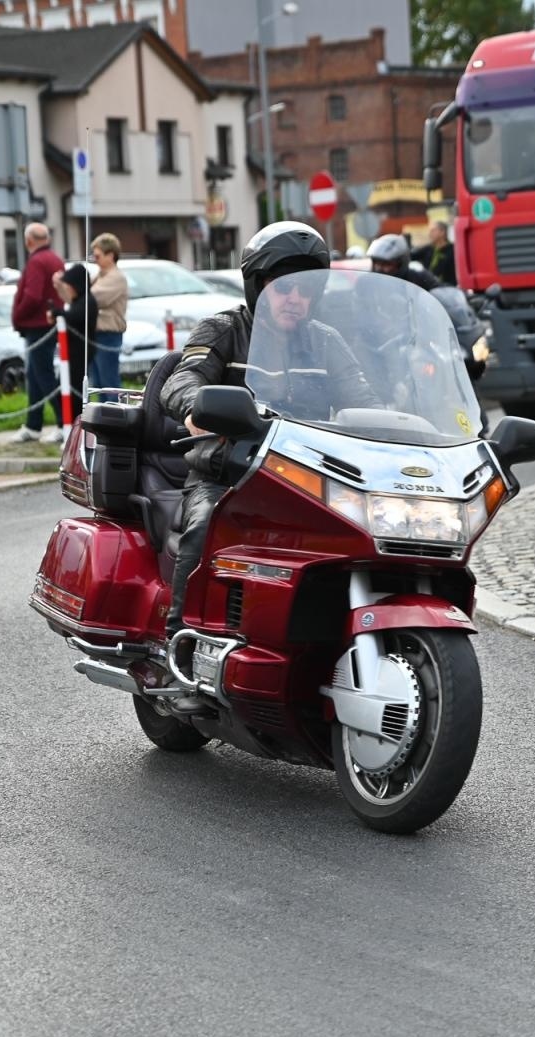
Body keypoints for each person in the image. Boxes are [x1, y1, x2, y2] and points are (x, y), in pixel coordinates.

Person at [160, 222, 379, 691]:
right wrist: (198, 405)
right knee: (203, 527)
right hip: (228, 473)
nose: (294, 297)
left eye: (304, 288)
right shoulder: (225, 329)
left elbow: (365, 401)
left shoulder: (325, 341)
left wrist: (393, 424)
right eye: (282, 287)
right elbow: (181, 380)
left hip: (308, 478)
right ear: (258, 286)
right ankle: (175, 653)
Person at [10, 222, 66, 443]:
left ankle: (64, 422)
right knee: (35, 376)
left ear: (28, 241)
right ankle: (34, 424)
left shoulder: (36, 261)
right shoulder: (55, 259)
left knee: (42, 375)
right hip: (49, 324)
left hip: (37, 326)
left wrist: (18, 316)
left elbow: (33, 296)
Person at [51, 262, 96, 421]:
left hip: (80, 355)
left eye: (70, 285)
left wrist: (57, 313)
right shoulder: (78, 301)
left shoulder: (88, 302)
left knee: (74, 395)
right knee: (62, 392)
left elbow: (74, 317)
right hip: (72, 355)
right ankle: (65, 424)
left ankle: (74, 425)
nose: (68, 288)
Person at [88, 233, 128, 402]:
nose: (94, 259)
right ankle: (103, 422)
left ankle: (115, 422)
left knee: (108, 384)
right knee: (97, 383)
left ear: (110, 255)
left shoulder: (115, 277)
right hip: (98, 334)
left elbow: (94, 299)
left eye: (97, 256)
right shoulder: (100, 275)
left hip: (108, 334)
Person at [368, 233, 438, 291]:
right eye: (377, 263)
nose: (380, 268)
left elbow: (440, 290)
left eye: (386, 264)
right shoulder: (367, 282)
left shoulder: (418, 278)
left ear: (401, 263)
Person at [412, 221, 457, 286]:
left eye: (433, 230)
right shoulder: (427, 249)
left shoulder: (453, 250)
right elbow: (410, 256)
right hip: (428, 289)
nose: (430, 233)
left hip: (448, 289)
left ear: (442, 232)